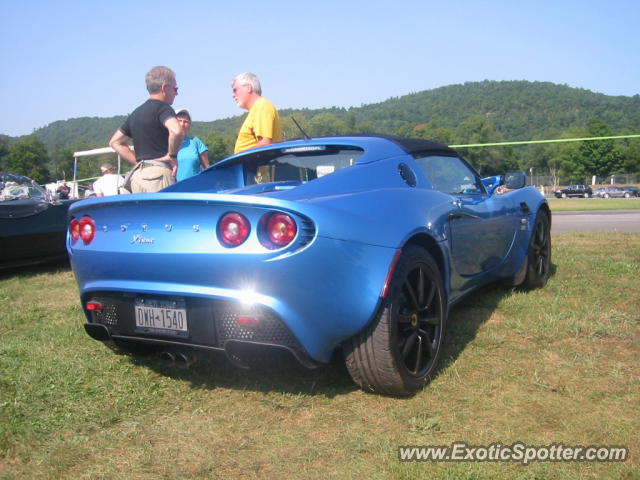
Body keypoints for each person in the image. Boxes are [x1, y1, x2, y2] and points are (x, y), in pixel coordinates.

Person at [109, 66, 184, 193]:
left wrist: (139, 163)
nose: (176, 93)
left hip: (137, 177)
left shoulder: (136, 113)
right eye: (175, 88)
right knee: (163, 213)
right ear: (165, 88)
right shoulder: (163, 108)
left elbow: (115, 142)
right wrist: (172, 156)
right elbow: (176, 131)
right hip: (158, 176)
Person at [231, 72, 283, 153]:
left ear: (248, 88)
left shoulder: (261, 106)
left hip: (256, 165)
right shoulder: (257, 108)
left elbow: (264, 144)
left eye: (235, 90)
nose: (233, 95)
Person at [175, 109, 209, 181]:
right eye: (179, 121)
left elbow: (207, 168)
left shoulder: (196, 142)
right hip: (174, 188)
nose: (182, 124)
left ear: (190, 124)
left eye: (186, 121)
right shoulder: (165, 144)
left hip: (194, 187)